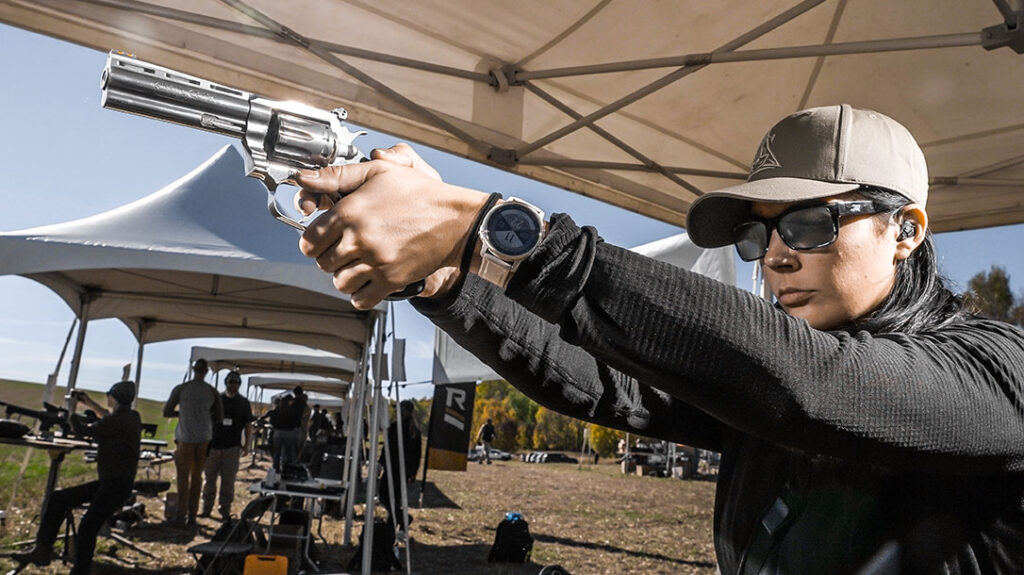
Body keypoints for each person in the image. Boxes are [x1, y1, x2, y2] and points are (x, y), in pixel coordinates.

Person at [294, 104, 1024, 573]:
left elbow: (813, 384)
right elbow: (605, 380)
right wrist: (447, 275)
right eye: (757, 232)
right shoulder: (760, 387)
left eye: (808, 222)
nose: (775, 255)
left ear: (906, 230)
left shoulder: (999, 372)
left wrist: (494, 231)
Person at [14, 382, 141, 574]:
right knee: (59, 498)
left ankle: (79, 571)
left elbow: (81, 431)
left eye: (109, 395)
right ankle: (42, 550)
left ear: (113, 398)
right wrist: (89, 403)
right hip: (115, 483)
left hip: (113, 485)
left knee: (87, 527)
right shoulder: (132, 416)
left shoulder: (114, 422)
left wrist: (70, 411)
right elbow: (109, 417)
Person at [163, 358, 223, 526]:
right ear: (206, 372)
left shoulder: (181, 388)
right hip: (204, 438)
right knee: (197, 477)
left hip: (185, 438)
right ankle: (192, 516)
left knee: (183, 477)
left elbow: (166, 411)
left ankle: (181, 515)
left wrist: (182, 414)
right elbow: (219, 417)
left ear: (193, 369)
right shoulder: (212, 391)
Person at [200, 370, 253, 520]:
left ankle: (225, 510)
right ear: (226, 383)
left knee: (228, 482)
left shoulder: (243, 403)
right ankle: (206, 508)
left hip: (232, 447)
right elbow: (207, 420)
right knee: (209, 480)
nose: (233, 385)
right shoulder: (217, 399)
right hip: (214, 446)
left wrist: (246, 444)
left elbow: (248, 424)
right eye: (231, 382)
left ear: (239, 384)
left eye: (236, 382)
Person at [379, 400, 422, 529]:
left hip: (394, 468)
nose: (396, 412)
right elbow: (417, 455)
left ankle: (403, 519)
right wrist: (413, 472)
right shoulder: (414, 431)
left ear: (405, 411)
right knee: (394, 498)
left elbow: (387, 448)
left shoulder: (397, 428)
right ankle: (393, 523)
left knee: (385, 496)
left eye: (398, 409)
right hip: (403, 469)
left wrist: (381, 463)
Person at [268, 393, 302, 471]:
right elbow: (297, 422)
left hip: (278, 432)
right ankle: (286, 469)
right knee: (287, 452)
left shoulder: (278, 408)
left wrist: (276, 426)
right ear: (290, 401)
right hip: (289, 432)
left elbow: (272, 420)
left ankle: (276, 469)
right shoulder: (292, 409)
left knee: (277, 452)